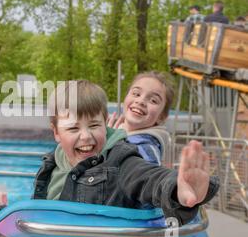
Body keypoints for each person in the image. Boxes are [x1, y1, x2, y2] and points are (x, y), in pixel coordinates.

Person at [33, 80, 219, 226]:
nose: (86, 136)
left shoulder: (120, 161)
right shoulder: (51, 165)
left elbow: (148, 177)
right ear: (56, 132)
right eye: (73, 128)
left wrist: (177, 189)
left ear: (105, 123)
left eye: (94, 125)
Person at [107, 72, 174, 166]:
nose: (141, 101)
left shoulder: (146, 149)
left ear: (161, 116)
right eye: (136, 94)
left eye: (153, 100)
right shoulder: (111, 134)